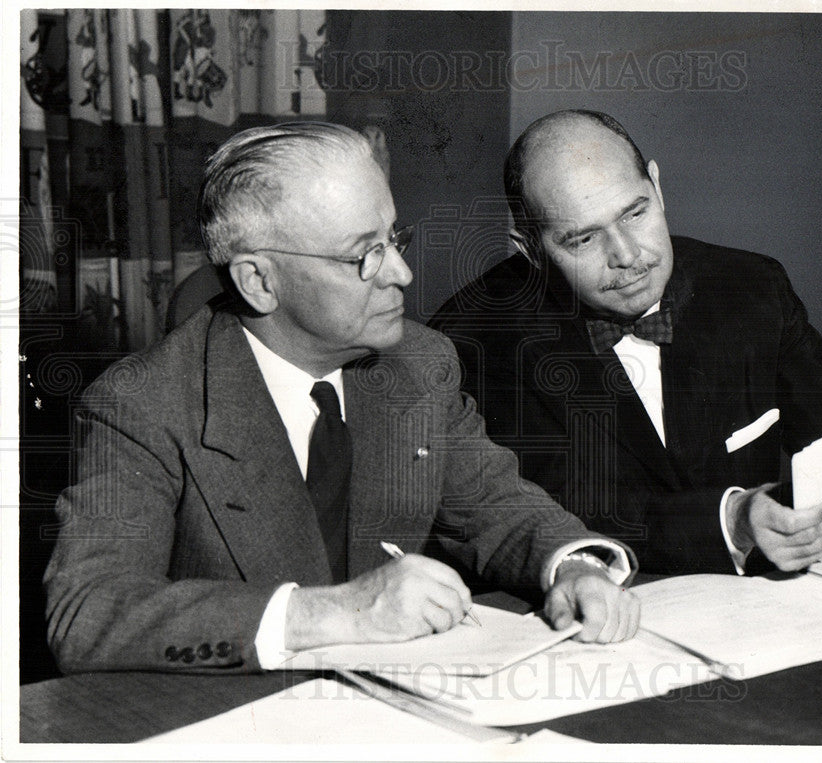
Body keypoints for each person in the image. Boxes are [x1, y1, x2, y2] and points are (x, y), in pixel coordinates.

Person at [44, 122, 640, 675]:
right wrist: (335, 613)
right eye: (364, 255)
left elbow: (495, 503)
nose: (402, 274)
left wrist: (573, 565)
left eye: (393, 238)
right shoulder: (142, 403)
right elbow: (87, 614)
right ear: (259, 280)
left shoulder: (417, 363)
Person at [430, 109, 822, 576]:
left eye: (635, 212)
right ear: (529, 245)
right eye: (583, 237)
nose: (627, 255)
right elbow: (549, 516)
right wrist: (732, 521)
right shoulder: (471, 340)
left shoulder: (752, 287)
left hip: (761, 624)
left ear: (657, 186)